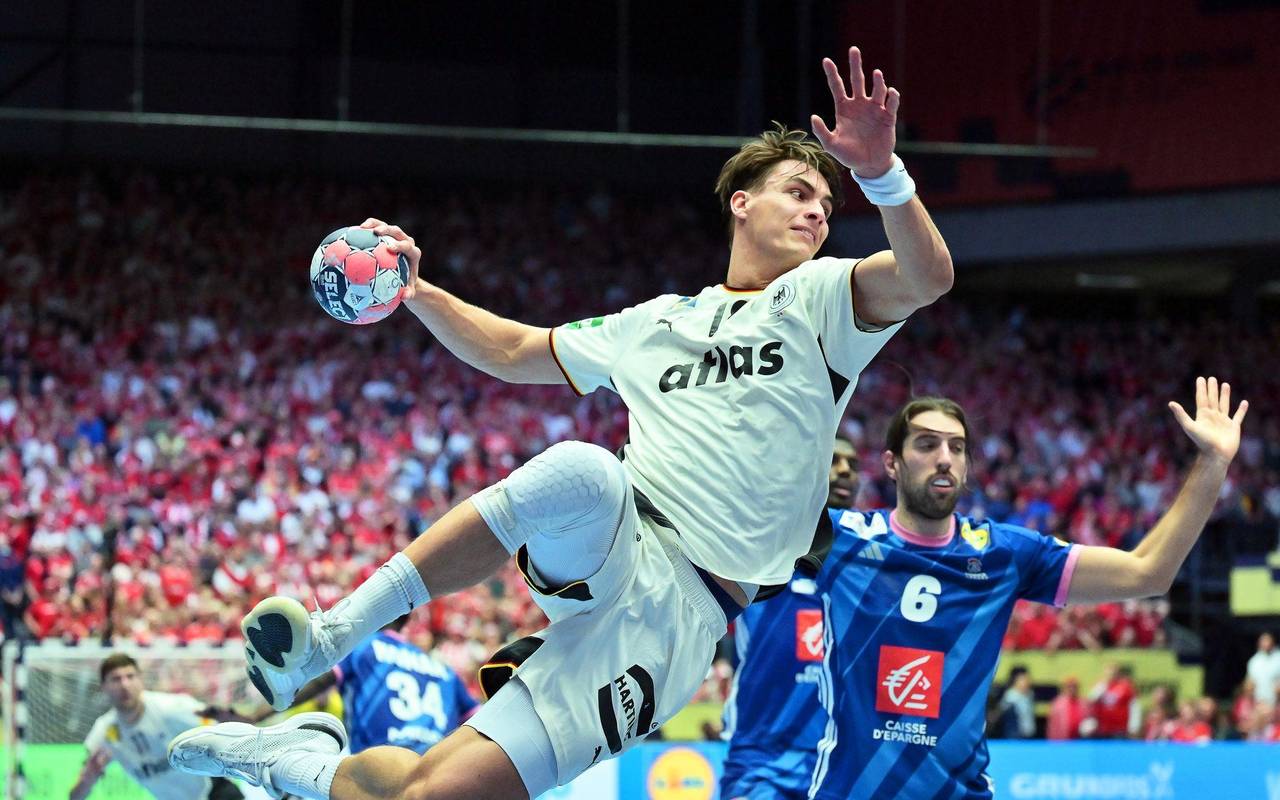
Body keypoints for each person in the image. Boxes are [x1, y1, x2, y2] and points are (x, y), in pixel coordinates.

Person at [167, 45, 954, 800]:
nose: (816, 211)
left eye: (825, 202)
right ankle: (329, 636)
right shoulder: (656, 321)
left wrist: (882, 175)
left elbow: (927, 275)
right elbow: (513, 350)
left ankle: (292, 762)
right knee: (586, 468)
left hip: (685, 616)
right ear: (742, 203)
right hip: (621, 536)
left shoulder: (823, 300)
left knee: (433, 795)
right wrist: (417, 291)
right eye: (797, 191)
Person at [809, 377, 1247, 799]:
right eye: (926, 444)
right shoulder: (839, 538)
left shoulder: (1005, 553)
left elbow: (1147, 571)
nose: (945, 458)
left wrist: (1212, 463)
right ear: (892, 463)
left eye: (957, 448)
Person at [719, 437, 860, 800]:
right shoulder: (761, 552)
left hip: (842, 765)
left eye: (853, 464)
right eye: (833, 460)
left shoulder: (868, 571)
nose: (846, 470)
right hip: (764, 764)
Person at [252, 615, 478, 755]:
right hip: (435, 766)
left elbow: (318, 682)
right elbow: (479, 719)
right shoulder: (444, 671)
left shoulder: (363, 646)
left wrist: (254, 717)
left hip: (382, 765)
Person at [70, 653, 246, 800]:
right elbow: (75, 796)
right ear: (103, 687)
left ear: (141, 680)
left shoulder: (171, 709)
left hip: (214, 792)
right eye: (116, 679)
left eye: (130, 677)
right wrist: (89, 777)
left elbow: (222, 724)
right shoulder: (105, 732)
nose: (125, 685)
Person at [1246, 631, 1280, 708]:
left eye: (1267, 640)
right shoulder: (1254, 661)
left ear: (1273, 641)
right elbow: (1250, 682)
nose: (1265, 643)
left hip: (1277, 702)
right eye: (1263, 641)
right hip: (1260, 702)